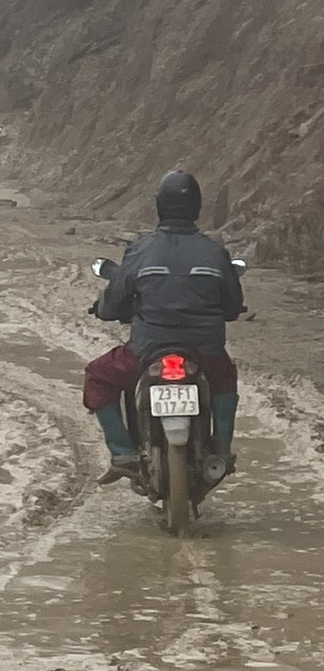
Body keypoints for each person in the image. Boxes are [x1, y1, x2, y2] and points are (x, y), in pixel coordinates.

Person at [86, 169, 245, 480]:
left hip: (146, 350)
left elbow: (115, 299)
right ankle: (223, 452)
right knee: (225, 381)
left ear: (158, 206)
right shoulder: (215, 252)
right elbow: (233, 305)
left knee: (97, 376)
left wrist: (104, 310)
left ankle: (122, 452)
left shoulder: (140, 251)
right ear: (197, 208)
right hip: (206, 351)